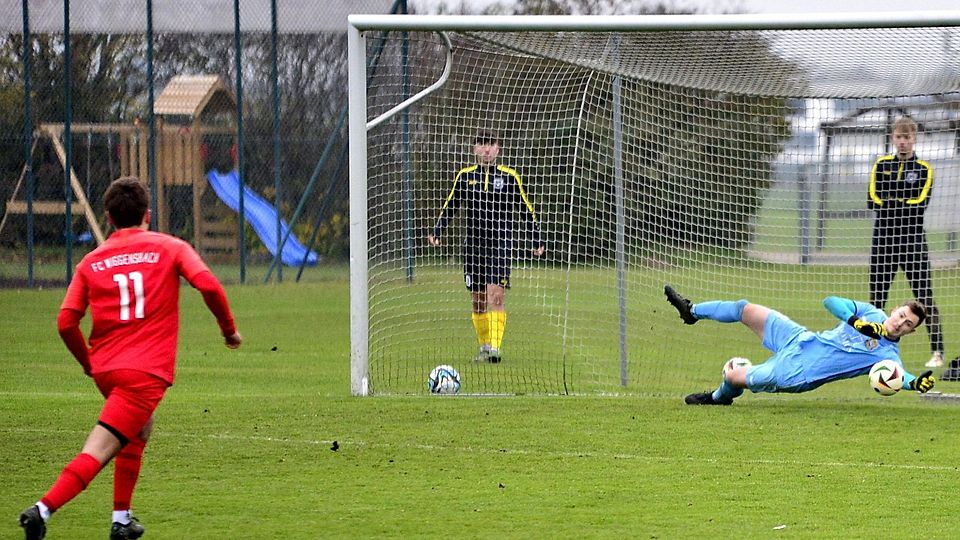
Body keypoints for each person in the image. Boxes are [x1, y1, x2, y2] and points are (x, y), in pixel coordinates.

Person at [18, 177, 242, 540]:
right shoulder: (170, 247)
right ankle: (41, 510)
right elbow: (209, 285)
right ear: (147, 215)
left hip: (108, 369)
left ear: (107, 218)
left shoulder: (91, 261)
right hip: (144, 372)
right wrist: (228, 330)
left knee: (139, 428)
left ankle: (122, 519)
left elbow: (65, 322)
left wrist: (88, 363)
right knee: (100, 447)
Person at [663, 284, 935, 405]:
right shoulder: (871, 314)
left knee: (733, 376)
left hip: (798, 373)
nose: (900, 323)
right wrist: (856, 322)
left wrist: (915, 384)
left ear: (910, 332)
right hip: (801, 338)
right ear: (895, 309)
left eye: (908, 324)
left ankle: (716, 399)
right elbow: (830, 301)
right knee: (745, 309)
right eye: (901, 316)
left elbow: (899, 376)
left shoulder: (888, 356)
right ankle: (692, 310)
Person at [427, 131, 545, 363]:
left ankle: (495, 349)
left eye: (491, 144)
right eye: (482, 144)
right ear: (475, 149)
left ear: (498, 149)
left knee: (496, 296)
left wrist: (537, 238)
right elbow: (451, 206)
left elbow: (525, 208)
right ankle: (484, 347)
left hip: (500, 244)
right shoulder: (464, 177)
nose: (487, 149)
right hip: (473, 247)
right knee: (478, 300)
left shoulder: (510, 177)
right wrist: (437, 231)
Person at [867, 116, 947, 373]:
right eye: (899, 137)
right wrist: (898, 198)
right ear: (893, 138)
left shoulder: (924, 169)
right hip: (883, 241)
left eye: (907, 138)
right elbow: (873, 199)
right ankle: (871, 343)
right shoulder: (881, 165)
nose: (903, 142)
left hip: (913, 242)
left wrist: (893, 199)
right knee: (876, 298)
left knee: (924, 298)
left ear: (914, 139)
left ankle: (937, 352)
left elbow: (919, 204)